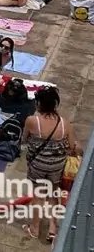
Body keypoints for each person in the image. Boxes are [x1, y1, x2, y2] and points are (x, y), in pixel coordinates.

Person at [23, 87, 80, 242]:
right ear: (55, 104)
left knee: (38, 195)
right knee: (53, 195)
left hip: (38, 165)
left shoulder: (32, 121)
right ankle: (52, 228)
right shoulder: (64, 124)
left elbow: (24, 139)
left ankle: (34, 228)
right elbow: (72, 146)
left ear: (39, 104)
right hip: (57, 166)